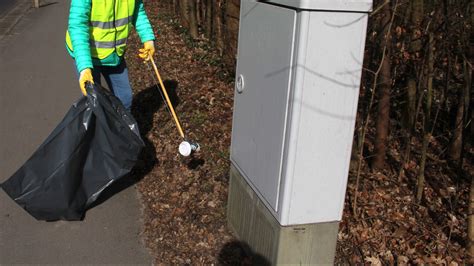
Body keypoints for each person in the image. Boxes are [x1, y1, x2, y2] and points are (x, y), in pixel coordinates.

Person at [66, 0, 155, 111]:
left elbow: (137, 10)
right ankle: (101, 127)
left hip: (115, 55)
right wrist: (84, 67)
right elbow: (77, 25)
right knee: (96, 103)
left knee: (125, 100)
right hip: (87, 54)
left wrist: (148, 39)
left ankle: (122, 127)